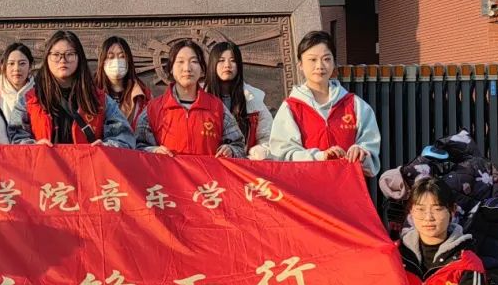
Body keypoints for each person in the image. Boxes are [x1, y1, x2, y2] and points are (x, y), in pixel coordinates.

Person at [269, 30, 380, 176]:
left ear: (334, 62)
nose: (320, 66)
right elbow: (282, 155)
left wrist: (361, 152)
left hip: (347, 187)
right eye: (312, 60)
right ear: (300, 64)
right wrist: (319, 156)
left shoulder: (355, 105)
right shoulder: (291, 108)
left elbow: (370, 148)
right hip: (306, 187)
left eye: (326, 59)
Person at [10, 30, 135, 148]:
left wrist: (106, 147)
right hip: (44, 163)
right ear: (47, 58)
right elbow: (15, 137)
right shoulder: (30, 100)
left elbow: (124, 137)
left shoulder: (99, 100)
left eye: (70, 54)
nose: (62, 60)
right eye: (56, 55)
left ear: (79, 57)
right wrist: (33, 147)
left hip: (88, 163)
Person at [135, 39, 246, 158]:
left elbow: (239, 146)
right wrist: (153, 151)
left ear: (202, 69)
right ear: (171, 68)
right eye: (180, 61)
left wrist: (231, 150)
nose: (187, 68)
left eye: (194, 61)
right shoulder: (153, 109)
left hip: (208, 171)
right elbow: (137, 147)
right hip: (167, 170)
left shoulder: (217, 107)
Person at [205, 40, 273, 159]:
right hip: (207, 164)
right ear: (212, 64)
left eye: (233, 61)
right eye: (221, 60)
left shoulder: (253, 100)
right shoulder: (199, 98)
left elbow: (268, 139)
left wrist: (253, 156)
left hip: (242, 165)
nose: (227, 65)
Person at [94, 35, 152, 127]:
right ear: (102, 61)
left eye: (122, 57)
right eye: (111, 57)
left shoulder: (143, 96)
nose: (117, 61)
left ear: (128, 60)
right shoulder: (92, 95)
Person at [0, 42, 35, 124]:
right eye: (11, 63)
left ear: (30, 67)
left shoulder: (42, 98)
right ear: (3, 67)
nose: (16, 68)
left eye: (22, 63)